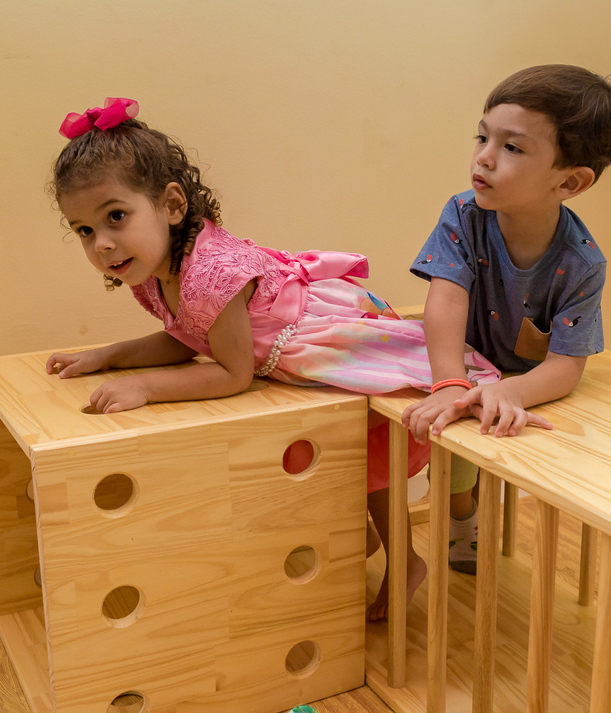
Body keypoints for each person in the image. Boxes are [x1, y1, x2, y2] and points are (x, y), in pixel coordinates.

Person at [43, 98, 499, 620]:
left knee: (374, 454)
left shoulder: (209, 271)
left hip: (323, 339)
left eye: (115, 217)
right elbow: (188, 337)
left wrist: (145, 387)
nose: (102, 244)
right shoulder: (150, 269)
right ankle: (366, 540)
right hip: (281, 355)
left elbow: (232, 373)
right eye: (84, 230)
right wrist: (108, 357)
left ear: (171, 205)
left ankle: (405, 561)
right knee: (324, 458)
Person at [402, 65, 611, 574]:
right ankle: (462, 515)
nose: (484, 157)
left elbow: (566, 365)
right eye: (482, 137)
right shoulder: (463, 215)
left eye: (511, 147)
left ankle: (478, 506)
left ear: (569, 181)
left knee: (520, 435)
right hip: (462, 359)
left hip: (522, 377)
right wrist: (449, 382)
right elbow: (445, 302)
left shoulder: (582, 263)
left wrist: (512, 391)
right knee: (451, 432)